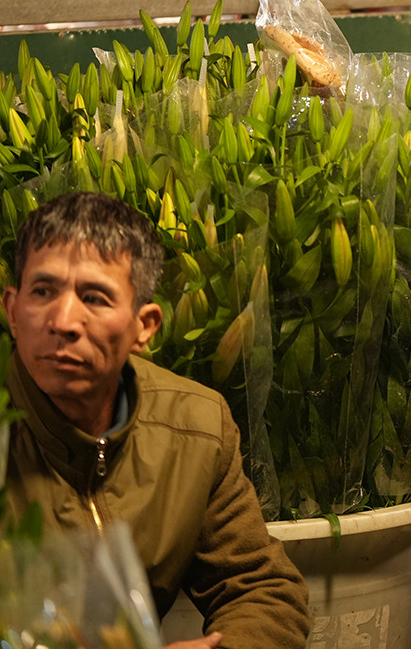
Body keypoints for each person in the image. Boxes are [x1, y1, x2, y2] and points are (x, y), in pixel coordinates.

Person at [2, 193, 310, 648]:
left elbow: (261, 588)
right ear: (11, 309)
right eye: (43, 291)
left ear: (143, 326)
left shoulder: (194, 426)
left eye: (95, 297)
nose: (64, 320)